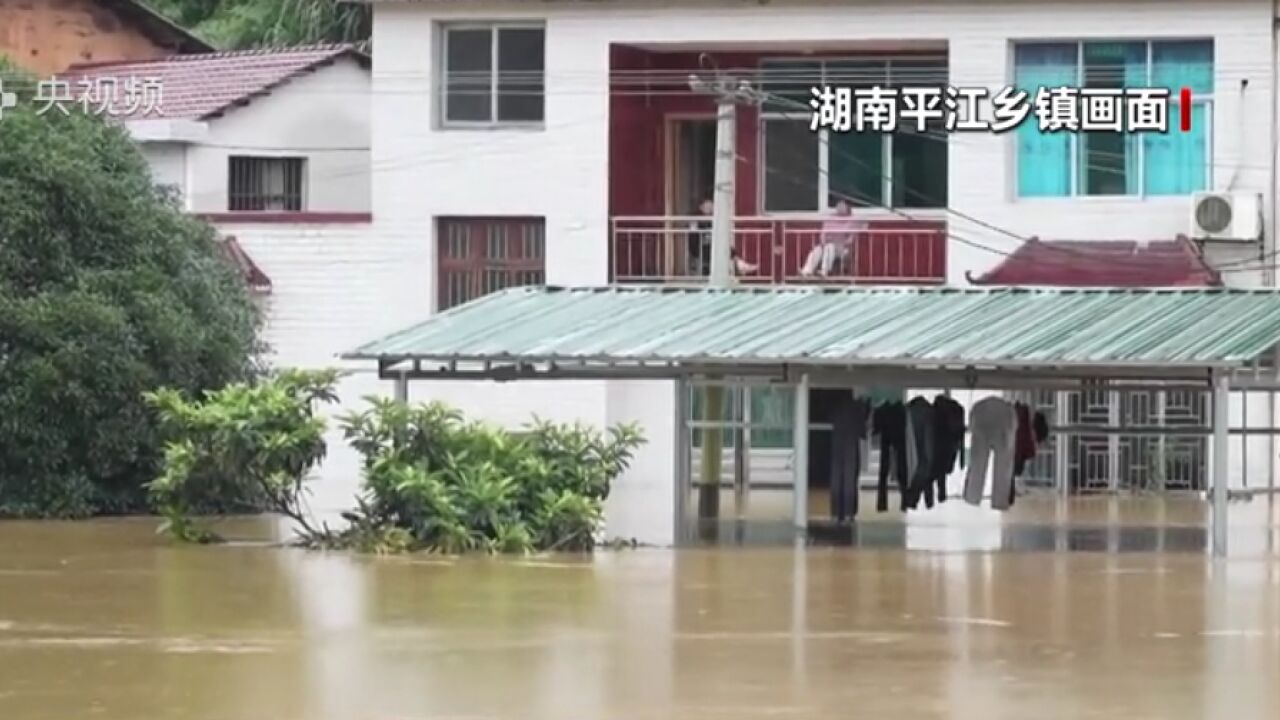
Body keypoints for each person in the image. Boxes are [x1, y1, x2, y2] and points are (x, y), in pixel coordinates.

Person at [687, 198, 758, 277]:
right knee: (722, 249)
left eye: (711, 206)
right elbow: (694, 236)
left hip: (710, 246)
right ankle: (738, 267)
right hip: (699, 248)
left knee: (726, 247)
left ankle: (738, 266)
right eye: (707, 206)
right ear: (701, 207)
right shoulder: (695, 218)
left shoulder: (712, 219)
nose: (710, 208)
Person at [800, 199, 864, 277]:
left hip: (843, 247)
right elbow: (823, 233)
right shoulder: (831, 218)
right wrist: (823, 242)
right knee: (817, 250)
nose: (839, 208)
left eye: (842, 206)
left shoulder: (852, 220)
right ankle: (807, 271)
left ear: (848, 207)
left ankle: (824, 271)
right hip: (828, 244)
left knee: (830, 247)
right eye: (838, 206)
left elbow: (851, 238)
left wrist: (842, 243)